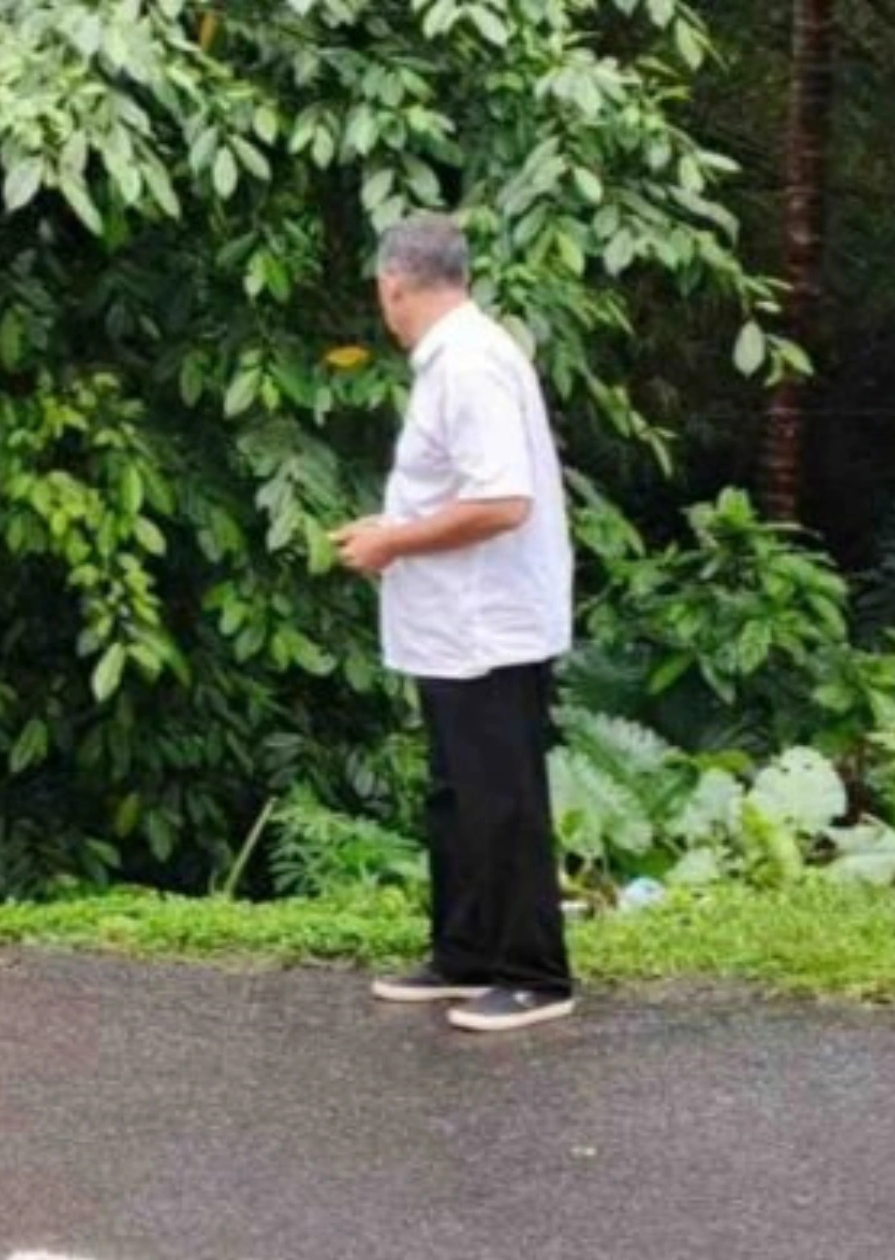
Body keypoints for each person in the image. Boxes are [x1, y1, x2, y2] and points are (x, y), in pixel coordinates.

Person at [334, 214, 577, 1033]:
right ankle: (465, 951)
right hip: (453, 626)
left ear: (392, 283)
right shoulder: (457, 357)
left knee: (500, 797)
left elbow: (503, 501)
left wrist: (393, 539)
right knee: (457, 794)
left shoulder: (468, 363)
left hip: (489, 627)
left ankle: (535, 974)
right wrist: (392, 526)